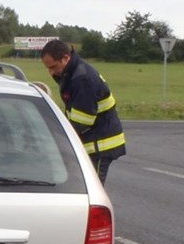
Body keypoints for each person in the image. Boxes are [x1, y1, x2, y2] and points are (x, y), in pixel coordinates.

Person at [40, 40, 126, 185]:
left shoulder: (83, 79)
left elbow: (83, 121)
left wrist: (58, 137)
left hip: (100, 145)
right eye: (48, 68)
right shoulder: (72, 73)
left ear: (66, 58)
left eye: (53, 66)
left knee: (92, 189)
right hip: (91, 141)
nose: (51, 72)